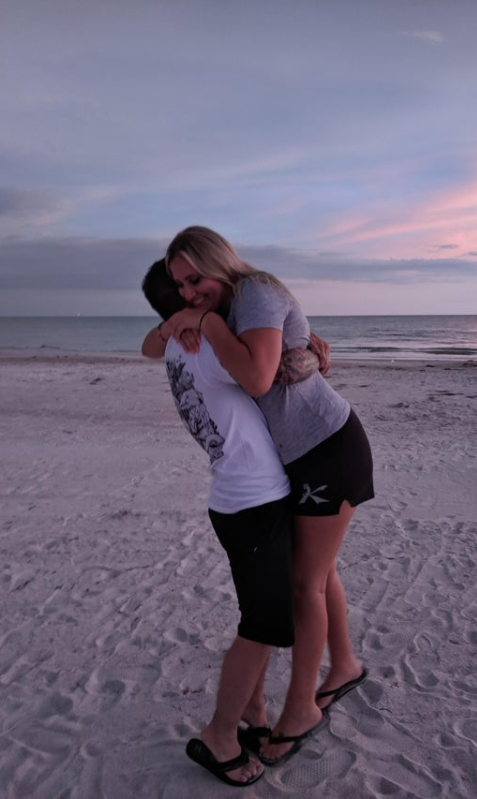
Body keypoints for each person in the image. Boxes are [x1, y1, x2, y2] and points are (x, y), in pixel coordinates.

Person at [159, 227, 374, 767]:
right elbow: (160, 344)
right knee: (318, 574)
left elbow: (257, 377)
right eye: (180, 286)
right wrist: (185, 321)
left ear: (218, 262)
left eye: (194, 279)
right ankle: (343, 665)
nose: (188, 292)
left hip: (328, 448)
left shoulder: (252, 291)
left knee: (305, 581)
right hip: (298, 458)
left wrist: (204, 321)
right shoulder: (228, 309)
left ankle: (302, 707)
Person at [141, 259, 322, 786]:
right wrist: (311, 347)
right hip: (253, 501)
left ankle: (255, 715)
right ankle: (220, 735)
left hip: (235, 500)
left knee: (261, 617)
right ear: (185, 304)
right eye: (189, 290)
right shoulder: (206, 347)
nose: (203, 294)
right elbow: (269, 372)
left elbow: (150, 346)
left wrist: (179, 322)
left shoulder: (177, 346)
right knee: (262, 627)